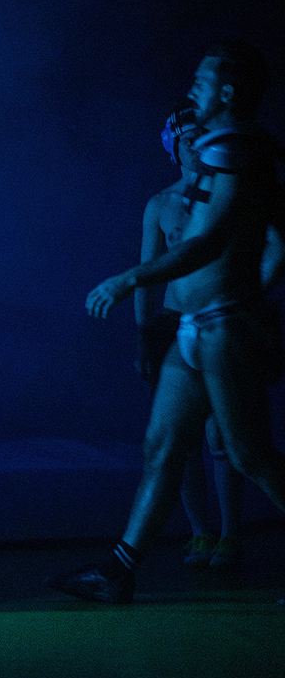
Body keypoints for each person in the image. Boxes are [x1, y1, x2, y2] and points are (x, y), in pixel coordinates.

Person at [55, 43, 285, 603]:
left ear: (227, 92)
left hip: (225, 325)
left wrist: (129, 279)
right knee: (162, 444)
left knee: (248, 453)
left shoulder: (238, 148)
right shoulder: (219, 151)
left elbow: (208, 241)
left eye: (202, 82)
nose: (192, 89)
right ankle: (118, 571)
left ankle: (173, 553)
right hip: (194, 327)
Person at [137, 111, 269, 569]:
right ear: (172, 146)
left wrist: (248, 298)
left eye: (201, 137)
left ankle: (230, 533)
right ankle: (199, 531)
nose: (195, 146)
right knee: (178, 439)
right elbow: (150, 275)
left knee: (227, 438)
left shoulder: (227, 191)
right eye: (187, 139)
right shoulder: (161, 205)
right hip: (176, 321)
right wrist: (144, 333)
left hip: (218, 318)